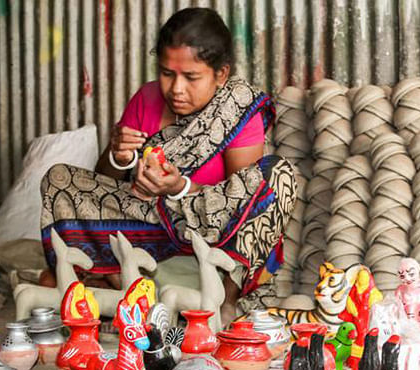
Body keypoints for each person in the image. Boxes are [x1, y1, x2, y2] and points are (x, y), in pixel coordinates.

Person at [39, 8, 296, 324]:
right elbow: (103, 181)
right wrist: (120, 157)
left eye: (191, 77)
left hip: (211, 244)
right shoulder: (147, 98)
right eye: (167, 73)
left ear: (221, 74)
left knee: (276, 176)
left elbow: (241, 201)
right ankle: (124, 281)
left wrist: (180, 188)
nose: (176, 89)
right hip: (150, 227)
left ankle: (223, 301)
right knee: (60, 179)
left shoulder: (238, 109)